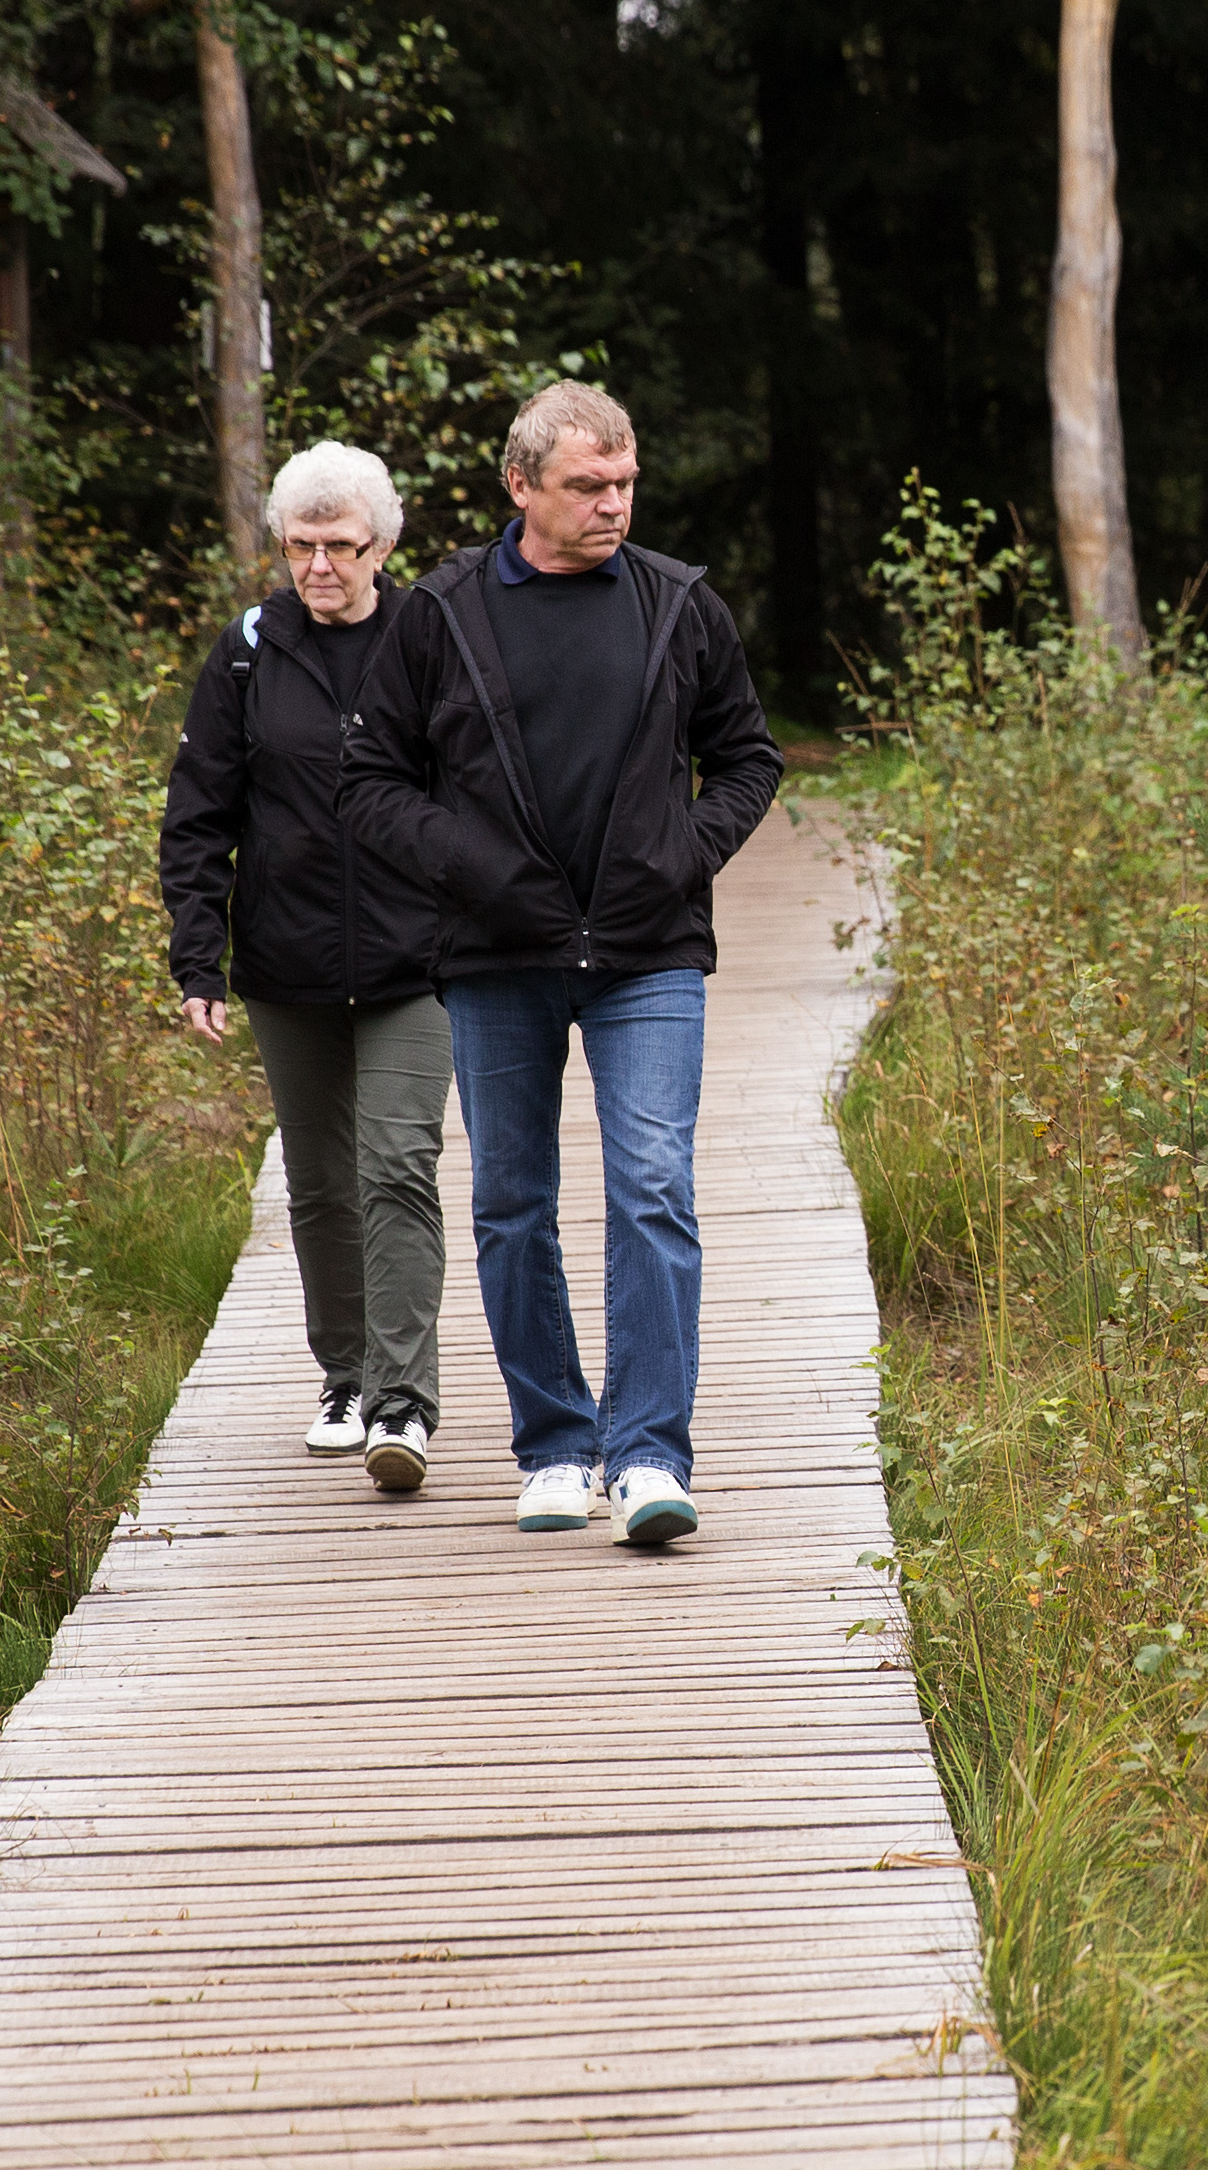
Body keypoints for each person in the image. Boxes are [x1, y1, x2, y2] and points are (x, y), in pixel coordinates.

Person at [337, 380, 782, 1545]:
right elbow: (369, 784)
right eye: (590, 486)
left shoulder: (681, 604)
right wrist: (471, 867)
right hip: (495, 955)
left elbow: (747, 756)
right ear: (520, 484)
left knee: (652, 1190)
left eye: (627, 484)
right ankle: (553, 1445)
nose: (614, 505)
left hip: (648, 953)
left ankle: (646, 1454)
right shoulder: (439, 615)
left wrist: (685, 852)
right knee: (513, 1202)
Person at [156, 441, 452, 1494]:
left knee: (396, 1166)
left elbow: (477, 787)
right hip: (285, 962)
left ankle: (406, 1404)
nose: (319, 567)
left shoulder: (431, 637)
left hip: (416, 959)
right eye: (300, 547)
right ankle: (347, 1376)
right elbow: (199, 816)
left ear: (382, 545)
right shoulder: (247, 652)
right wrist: (200, 956)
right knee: (320, 1183)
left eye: (340, 546)